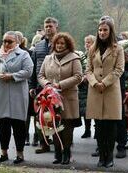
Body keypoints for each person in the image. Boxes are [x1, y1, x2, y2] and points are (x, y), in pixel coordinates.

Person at [0, 31, 33, 164]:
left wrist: (12, 76)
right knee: (3, 126)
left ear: (17, 42)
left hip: (16, 95)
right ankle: (3, 153)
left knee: (18, 126)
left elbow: (28, 71)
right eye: (4, 41)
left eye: (9, 41)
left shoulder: (23, 55)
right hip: (0, 95)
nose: (6, 44)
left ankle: (20, 154)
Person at [38, 32, 82, 164]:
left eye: (62, 43)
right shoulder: (48, 58)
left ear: (68, 44)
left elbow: (78, 77)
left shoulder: (74, 58)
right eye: (57, 43)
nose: (60, 45)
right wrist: (47, 85)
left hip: (68, 98)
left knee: (67, 126)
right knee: (55, 126)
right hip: (51, 99)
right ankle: (57, 153)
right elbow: (40, 75)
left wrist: (60, 85)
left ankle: (66, 153)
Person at [86, 19, 125, 168]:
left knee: (110, 127)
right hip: (95, 90)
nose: (102, 33)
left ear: (110, 31)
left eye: (105, 30)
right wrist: (95, 83)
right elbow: (88, 69)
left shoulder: (118, 49)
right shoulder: (92, 48)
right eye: (100, 30)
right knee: (99, 127)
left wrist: (105, 83)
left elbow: (119, 70)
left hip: (110, 91)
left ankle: (109, 157)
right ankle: (101, 156)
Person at [29, 17, 59, 154]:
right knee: (40, 116)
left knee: (57, 116)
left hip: (57, 87)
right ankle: (44, 144)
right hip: (41, 87)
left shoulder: (62, 43)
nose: (48, 28)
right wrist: (32, 86)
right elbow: (35, 67)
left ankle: (59, 143)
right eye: (46, 26)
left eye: (50, 26)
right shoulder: (39, 46)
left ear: (56, 27)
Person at [79, 35, 95, 138]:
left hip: (93, 85)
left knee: (95, 109)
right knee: (85, 110)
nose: (87, 45)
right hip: (83, 87)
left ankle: (97, 130)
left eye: (89, 42)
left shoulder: (96, 55)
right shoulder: (83, 56)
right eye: (86, 43)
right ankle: (87, 129)